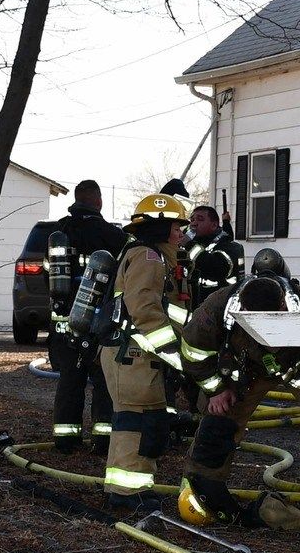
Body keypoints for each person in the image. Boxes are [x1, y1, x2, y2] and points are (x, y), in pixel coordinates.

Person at [175, 250, 300, 529]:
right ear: (242, 309)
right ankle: (202, 490)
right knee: (218, 423)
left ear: (283, 305)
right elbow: (193, 351)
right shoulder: (218, 308)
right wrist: (216, 390)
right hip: (246, 370)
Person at [98, 193, 192, 501]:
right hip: (133, 354)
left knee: (140, 420)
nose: (181, 234)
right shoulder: (148, 258)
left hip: (136, 355)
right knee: (136, 422)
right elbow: (144, 308)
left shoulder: (156, 257)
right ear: (159, 228)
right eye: (176, 227)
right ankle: (128, 492)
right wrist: (172, 351)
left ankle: (127, 488)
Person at [47, 181, 129, 452]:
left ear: (76, 200)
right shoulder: (113, 235)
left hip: (64, 321)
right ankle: (103, 441)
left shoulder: (59, 232)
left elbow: (49, 273)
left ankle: (65, 440)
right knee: (104, 380)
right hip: (100, 322)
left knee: (70, 379)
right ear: (99, 201)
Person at [181, 205, 246, 312]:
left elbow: (215, 268)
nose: (194, 223)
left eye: (200, 219)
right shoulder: (194, 244)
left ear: (214, 225)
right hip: (194, 310)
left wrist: (189, 245)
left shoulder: (230, 247)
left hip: (219, 310)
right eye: (192, 220)